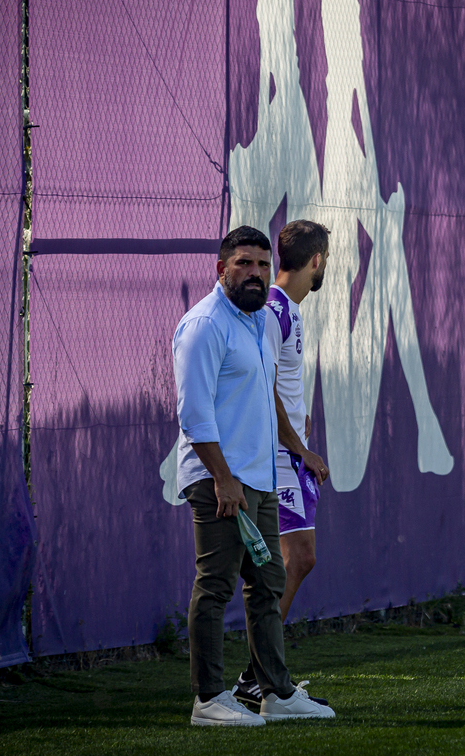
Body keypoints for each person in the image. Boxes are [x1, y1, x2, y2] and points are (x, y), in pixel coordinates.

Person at [172, 225, 335, 726]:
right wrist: (223, 480)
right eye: (243, 264)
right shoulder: (203, 325)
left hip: (260, 480)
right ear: (221, 270)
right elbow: (194, 416)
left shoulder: (262, 321)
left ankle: (277, 693)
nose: (256, 274)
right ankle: (209, 700)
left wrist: (298, 449)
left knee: (268, 584)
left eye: (263, 265)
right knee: (216, 585)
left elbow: (269, 402)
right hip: (219, 482)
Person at [231, 220, 334, 710]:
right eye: (326, 260)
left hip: (287, 450)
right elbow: (260, 386)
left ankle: (259, 676)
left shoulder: (286, 309)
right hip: (279, 457)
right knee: (296, 559)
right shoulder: (275, 312)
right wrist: (300, 447)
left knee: (293, 561)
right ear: (315, 261)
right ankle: (257, 677)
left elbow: (280, 384)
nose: (326, 268)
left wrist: (299, 423)